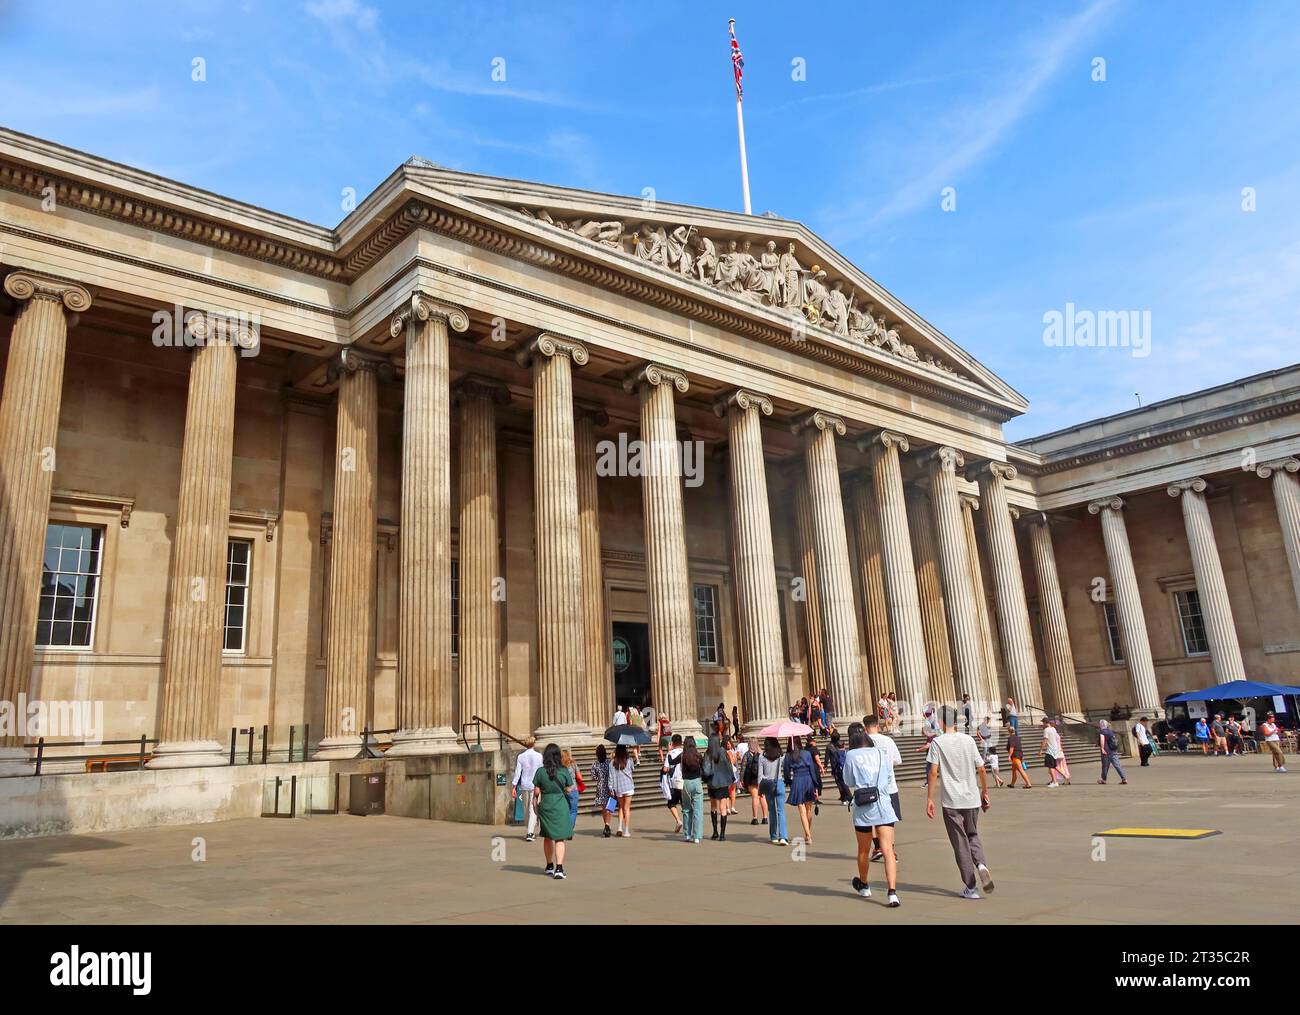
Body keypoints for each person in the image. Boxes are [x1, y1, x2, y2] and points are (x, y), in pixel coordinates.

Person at [926, 705, 994, 900]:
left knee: (960, 842)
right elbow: (981, 769)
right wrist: (985, 793)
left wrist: (930, 798)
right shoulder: (969, 740)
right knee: (972, 834)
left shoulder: (937, 743)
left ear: (940, 721)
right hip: (972, 798)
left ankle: (971, 887)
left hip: (952, 801)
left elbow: (933, 772)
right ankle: (981, 864)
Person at [843, 722, 900, 906]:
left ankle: (864, 885)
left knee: (863, 850)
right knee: (888, 850)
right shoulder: (881, 754)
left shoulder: (851, 755)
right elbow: (889, 777)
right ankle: (892, 893)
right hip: (884, 804)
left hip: (863, 807)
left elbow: (848, 780)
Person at [863, 713, 903, 864]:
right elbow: (897, 761)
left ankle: (878, 847)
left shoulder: (863, 742)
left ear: (865, 727)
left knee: (872, 818)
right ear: (877, 726)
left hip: (870, 787)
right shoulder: (888, 740)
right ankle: (890, 849)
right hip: (889, 786)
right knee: (889, 819)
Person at [533, 744, 574, 879]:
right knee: (559, 838)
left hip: (546, 805)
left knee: (547, 836)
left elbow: (537, 792)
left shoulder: (540, 772)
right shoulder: (563, 771)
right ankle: (559, 868)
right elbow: (569, 788)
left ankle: (549, 865)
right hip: (560, 805)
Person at [783, 735, 819, 846]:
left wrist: (789, 782)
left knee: (802, 809)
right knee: (809, 809)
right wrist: (815, 785)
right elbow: (812, 770)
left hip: (797, 780)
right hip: (808, 780)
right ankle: (807, 832)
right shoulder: (807, 753)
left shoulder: (788, 756)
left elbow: (786, 772)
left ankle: (808, 835)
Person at [511, 737, 544, 841]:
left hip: (525, 784)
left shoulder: (521, 756)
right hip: (536, 784)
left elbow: (518, 772)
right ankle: (530, 831)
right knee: (532, 808)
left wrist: (514, 786)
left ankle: (530, 831)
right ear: (534, 744)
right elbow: (542, 770)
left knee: (527, 807)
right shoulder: (539, 756)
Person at [704, 734, 735, 840]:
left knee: (713, 807)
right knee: (723, 808)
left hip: (712, 783)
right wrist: (732, 777)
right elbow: (729, 766)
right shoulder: (723, 752)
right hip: (723, 783)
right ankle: (722, 834)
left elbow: (705, 770)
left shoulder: (708, 753)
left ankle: (715, 832)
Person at [758, 738, 787, 844]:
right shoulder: (781, 756)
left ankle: (773, 835)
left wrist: (759, 790)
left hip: (767, 784)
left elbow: (760, 776)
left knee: (772, 811)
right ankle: (783, 836)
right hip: (779, 782)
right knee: (781, 811)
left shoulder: (762, 757)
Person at [679, 737, 706, 841]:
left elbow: (672, 761)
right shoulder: (698, 756)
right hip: (696, 782)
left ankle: (687, 834)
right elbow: (704, 766)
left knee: (686, 809)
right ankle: (697, 836)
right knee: (698, 810)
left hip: (685, 783)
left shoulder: (682, 756)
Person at [610, 743, 637, 836]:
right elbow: (632, 769)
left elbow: (611, 777)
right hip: (628, 786)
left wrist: (611, 788)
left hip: (618, 787)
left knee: (621, 807)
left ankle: (619, 827)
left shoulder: (612, 762)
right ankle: (626, 830)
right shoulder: (628, 760)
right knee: (627, 808)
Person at [660, 734, 684, 833]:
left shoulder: (670, 754)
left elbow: (665, 769)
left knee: (671, 803)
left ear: (672, 743)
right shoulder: (685, 752)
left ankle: (678, 820)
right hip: (684, 781)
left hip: (674, 783)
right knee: (685, 805)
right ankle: (687, 824)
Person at [741, 737, 767, 824]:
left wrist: (741, 779)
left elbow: (743, 768)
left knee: (755, 797)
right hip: (761, 777)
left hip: (751, 778)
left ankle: (755, 818)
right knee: (762, 797)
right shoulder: (762, 754)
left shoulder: (747, 754)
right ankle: (765, 817)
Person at [590, 744, 614, 837]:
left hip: (601, 787)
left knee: (604, 808)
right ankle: (607, 825)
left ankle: (606, 826)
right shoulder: (609, 762)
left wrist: (599, 777)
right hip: (610, 786)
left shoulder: (595, 764)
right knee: (610, 808)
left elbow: (593, 777)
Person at [1097, 719, 1128, 785]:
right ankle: (1124, 779)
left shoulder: (1102, 732)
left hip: (1106, 751)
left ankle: (1103, 779)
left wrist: (1102, 748)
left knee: (1105, 766)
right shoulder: (1110, 731)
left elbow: (1102, 739)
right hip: (1113, 751)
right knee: (1117, 765)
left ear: (1101, 725)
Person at [1040, 716, 1066, 787]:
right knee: (1053, 766)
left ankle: (1055, 782)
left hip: (1050, 751)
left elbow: (1045, 740)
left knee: (1050, 767)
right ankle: (1056, 780)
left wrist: (1041, 750)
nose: (1042, 724)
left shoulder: (1046, 730)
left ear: (1045, 723)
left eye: (1043, 722)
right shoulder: (1053, 729)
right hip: (1055, 750)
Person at [560, 748, 583, 830]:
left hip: (563, 790)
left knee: (565, 810)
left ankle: (565, 827)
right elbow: (580, 777)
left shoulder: (559, 765)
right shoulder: (573, 763)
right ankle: (569, 828)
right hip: (573, 789)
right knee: (573, 810)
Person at [824, 730, 849, 803]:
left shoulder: (829, 746)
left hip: (835, 766)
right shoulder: (841, 744)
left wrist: (825, 766)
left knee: (839, 783)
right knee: (843, 781)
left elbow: (827, 757)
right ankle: (844, 796)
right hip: (843, 765)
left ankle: (844, 798)